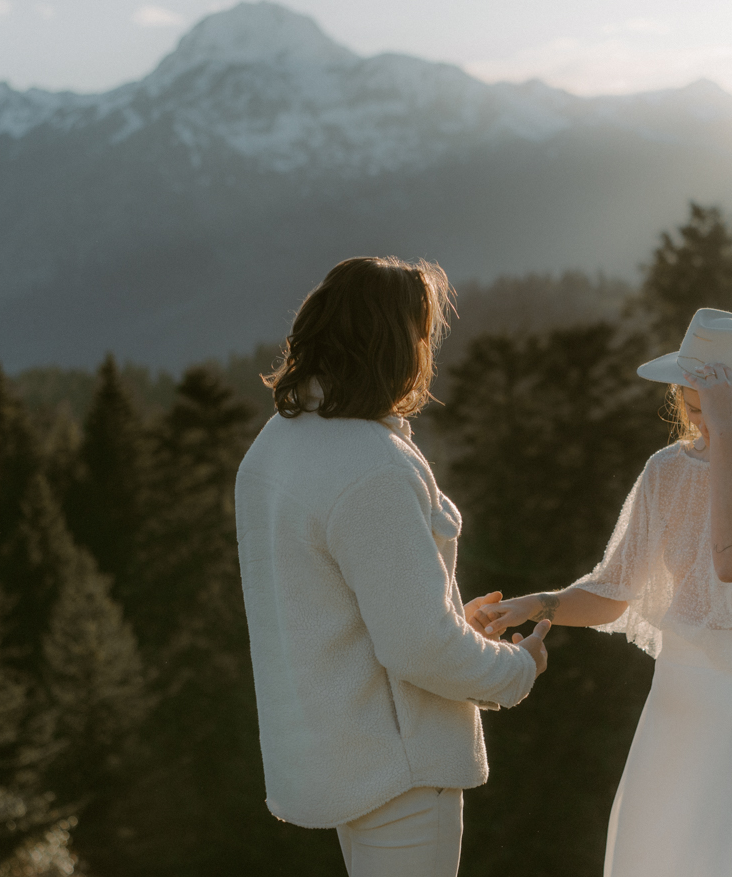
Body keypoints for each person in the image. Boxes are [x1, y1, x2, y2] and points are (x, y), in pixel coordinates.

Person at [472, 307, 732, 877]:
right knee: (652, 855)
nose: (694, 416)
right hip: (676, 698)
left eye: (709, 405)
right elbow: (614, 591)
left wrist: (724, 437)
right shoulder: (666, 469)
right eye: (689, 404)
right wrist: (536, 603)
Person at [236, 256, 552, 877]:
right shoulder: (373, 466)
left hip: (335, 754)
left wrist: (447, 621)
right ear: (390, 343)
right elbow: (418, 649)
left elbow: (329, 602)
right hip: (399, 770)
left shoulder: (278, 443)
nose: (425, 348)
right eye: (420, 332)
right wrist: (517, 668)